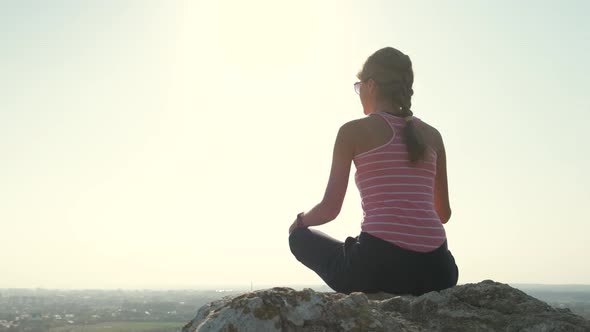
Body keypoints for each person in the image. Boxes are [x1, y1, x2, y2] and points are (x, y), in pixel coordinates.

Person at [288, 47, 459, 296]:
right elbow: (442, 214)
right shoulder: (433, 136)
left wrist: (299, 221)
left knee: (299, 239)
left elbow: (330, 208)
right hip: (439, 271)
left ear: (370, 85)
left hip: (377, 268)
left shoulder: (352, 131)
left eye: (358, 88)